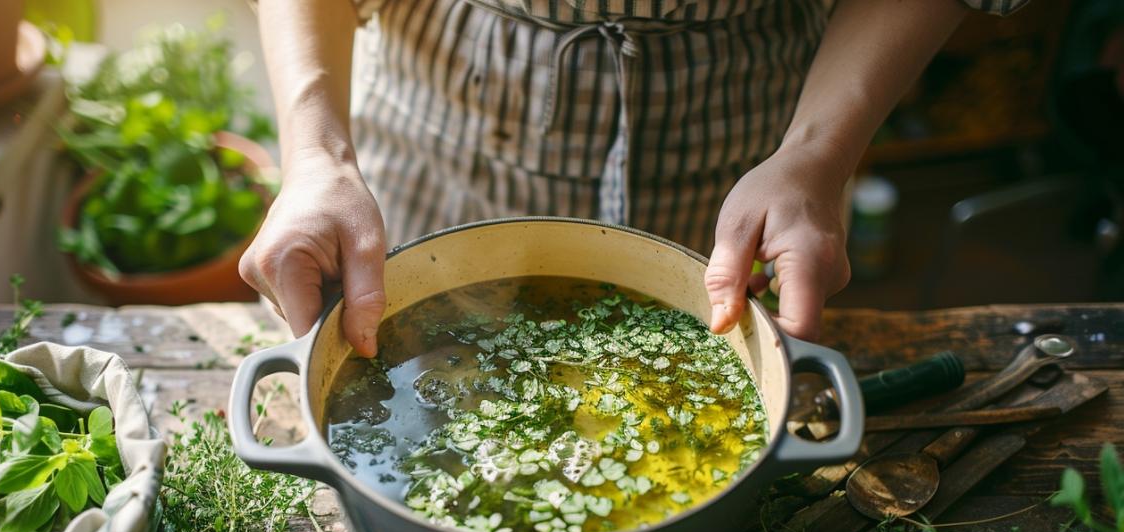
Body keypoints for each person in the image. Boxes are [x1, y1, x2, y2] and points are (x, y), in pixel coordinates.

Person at [241, 0, 1027, 356]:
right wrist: (317, 158)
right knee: (411, 339)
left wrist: (816, 156)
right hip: (444, 115)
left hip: (754, 135)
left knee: (715, 344)